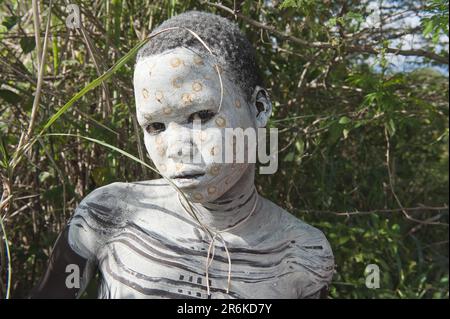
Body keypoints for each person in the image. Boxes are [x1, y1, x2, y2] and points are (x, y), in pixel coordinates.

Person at [30, 10, 334, 299]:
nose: (176, 147)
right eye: (155, 126)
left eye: (201, 115)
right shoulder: (109, 215)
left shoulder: (303, 251)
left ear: (258, 108)